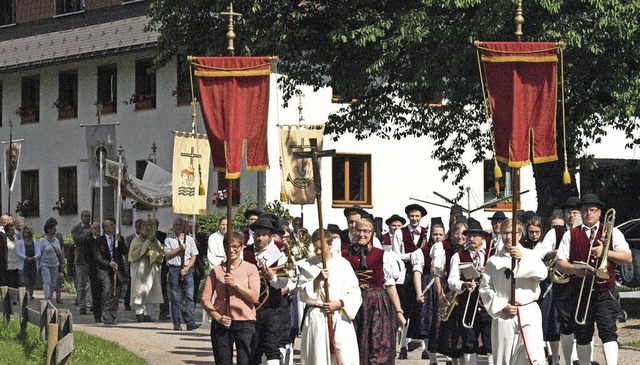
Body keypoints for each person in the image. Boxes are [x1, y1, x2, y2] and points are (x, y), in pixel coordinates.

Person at [555, 194, 632, 365]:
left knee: (608, 330)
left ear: (599, 213)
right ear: (580, 213)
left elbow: (628, 258)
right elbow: (559, 262)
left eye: (592, 210)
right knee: (582, 332)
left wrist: (606, 252)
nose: (588, 213)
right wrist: (574, 269)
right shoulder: (571, 234)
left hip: (605, 291)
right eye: (584, 210)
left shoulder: (612, 231)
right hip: (580, 290)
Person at [480, 218, 547, 365]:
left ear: (520, 234)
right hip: (505, 313)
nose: (508, 237)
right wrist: (502, 305)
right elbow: (485, 288)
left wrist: (522, 260)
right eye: (504, 233)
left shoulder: (530, 254)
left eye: (512, 233)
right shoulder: (493, 260)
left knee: (534, 356)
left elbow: (542, 273)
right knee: (505, 358)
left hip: (528, 310)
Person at [343, 218, 405, 364]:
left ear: (372, 233)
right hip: (353, 304)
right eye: (358, 230)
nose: (362, 234)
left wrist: (399, 312)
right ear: (353, 231)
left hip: (377, 305)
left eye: (366, 231)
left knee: (378, 346)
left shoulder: (382, 255)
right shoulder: (344, 255)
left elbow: (390, 285)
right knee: (355, 346)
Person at [298, 228, 362, 365]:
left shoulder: (343, 264)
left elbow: (354, 292)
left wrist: (339, 303)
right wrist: (317, 279)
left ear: (330, 244)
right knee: (318, 357)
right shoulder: (307, 265)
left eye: (321, 248)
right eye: (315, 249)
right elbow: (302, 294)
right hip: (317, 317)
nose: (318, 252)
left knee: (345, 356)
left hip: (340, 317)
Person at [243, 217, 295, 365]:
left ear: (271, 235)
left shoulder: (281, 251)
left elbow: (284, 282)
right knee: (252, 349)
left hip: (273, 307)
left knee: (272, 346)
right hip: (251, 308)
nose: (260, 238)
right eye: (257, 234)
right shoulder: (245, 252)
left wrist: (272, 278)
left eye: (264, 234)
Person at [202, 231, 260, 365]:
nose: (232, 250)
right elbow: (205, 299)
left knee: (245, 361)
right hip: (222, 322)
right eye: (228, 246)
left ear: (242, 247)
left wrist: (236, 284)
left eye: (236, 247)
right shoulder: (216, 271)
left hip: (245, 321)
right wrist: (218, 317)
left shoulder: (250, 268)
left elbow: (254, 297)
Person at [447, 218, 493, 365]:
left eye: (475, 236)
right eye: (469, 236)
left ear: (482, 238)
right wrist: (463, 284)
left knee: (490, 343)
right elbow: (451, 280)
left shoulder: (491, 256)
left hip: (487, 305)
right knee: (469, 343)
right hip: (467, 306)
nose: (471, 239)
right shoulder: (458, 256)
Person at [392, 203, 429, 359]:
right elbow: (396, 254)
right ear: (408, 217)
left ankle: (425, 348)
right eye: (412, 216)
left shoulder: (426, 232)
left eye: (417, 216)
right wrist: (412, 255)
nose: (414, 219)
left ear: (421, 218)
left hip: (421, 275)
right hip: (406, 276)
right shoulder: (400, 233)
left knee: (423, 310)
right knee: (406, 311)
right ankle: (403, 347)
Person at [410, 220, 445, 363]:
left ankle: (448, 357)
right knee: (428, 323)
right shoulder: (422, 252)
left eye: (440, 234)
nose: (437, 237)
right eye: (435, 234)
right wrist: (419, 292)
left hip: (444, 285)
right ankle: (433, 359)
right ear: (430, 235)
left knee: (444, 323)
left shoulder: (447, 249)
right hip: (428, 286)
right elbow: (417, 273)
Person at [164, 217, 200, 331]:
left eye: (181, 225)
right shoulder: (169, 239)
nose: (179, 227)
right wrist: (179, 248)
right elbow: (167, 255)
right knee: (175, 297)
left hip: (187, 269)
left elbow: (194, 255)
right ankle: (176, 323)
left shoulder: (189, 239)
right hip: (174, 269)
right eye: (177, 225)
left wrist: (188, 267)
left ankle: (190, 321)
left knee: (189, 296)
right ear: (173, 227)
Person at [129, 218, 164, 322]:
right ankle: (139, 313)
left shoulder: (155, 241)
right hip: (140, 268)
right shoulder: (136, 240)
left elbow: (161, 254)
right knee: (140, 290)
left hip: (151, 269)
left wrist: (153, 252)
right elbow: (133, 255)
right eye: (146, 228)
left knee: (151, 291)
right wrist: (146, 245)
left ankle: (148, 313)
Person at [95, 218, 127, 325]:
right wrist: (109, 263)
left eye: (113, 225)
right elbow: (98, 256)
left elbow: (124, 252)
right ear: (105, 228)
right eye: (111, 225)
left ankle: (113, 314)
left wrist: (120, 241)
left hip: (117, 269)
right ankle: (105, 313)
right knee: (107, 289)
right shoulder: (99, 240)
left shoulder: (118, 238)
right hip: (105, 269)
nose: (113, 227)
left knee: (116, 292)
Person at [71, 210, 93, 314]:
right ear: (81, 217)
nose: (87, 218)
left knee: (92, 283)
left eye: (89, 216)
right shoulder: (76, 229)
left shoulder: (94, 227)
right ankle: (81, 304)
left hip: (92, 259)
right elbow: (77, 240)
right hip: (81, 259)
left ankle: (92, 303)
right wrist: (89, 233)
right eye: (85, 216)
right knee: (81, 284)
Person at [83, 221, 103, 323]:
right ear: (91, 230)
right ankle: (97, 315)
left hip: (104, 270)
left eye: (99, 227)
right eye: (95, 228)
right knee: (96, 293)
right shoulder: (88, 241)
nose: (97, 229)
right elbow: (86, 256)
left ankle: (105, 313)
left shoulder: (104, 240)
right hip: (94, 270)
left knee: (105, 292)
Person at [39, 220, 63, 301]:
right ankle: (47, 298)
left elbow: (60, 252)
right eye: (53, 229)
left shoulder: (56, 240)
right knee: (47, 282)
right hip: (45, 264)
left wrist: (62, 261)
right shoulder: (42, 240)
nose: (55, 230)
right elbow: (40, 253)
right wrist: (39, 264)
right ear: (48, 230)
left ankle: (51, 296)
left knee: (53, 283)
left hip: (55, 264)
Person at [16, 226, 40, 299]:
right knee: (24, 282)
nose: (27, 234)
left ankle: (30, 295)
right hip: (24, 265)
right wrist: (26, 258)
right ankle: (25, 296)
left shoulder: (35, 242)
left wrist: (34, 258)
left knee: (32, 282)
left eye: (29, 232)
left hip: (33, 264)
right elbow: (17, 253)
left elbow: (38, 252)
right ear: (23, 233)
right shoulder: (20, 242)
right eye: (26, 232)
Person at [3, 223, 20, 288]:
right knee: (9, 284)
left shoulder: (16, 240)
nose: (14, 231)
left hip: (17, 265)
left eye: (14, 230)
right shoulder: (5, 241)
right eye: (12, 230)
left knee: (16, 284)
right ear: (7, 232)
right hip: (8, 265)